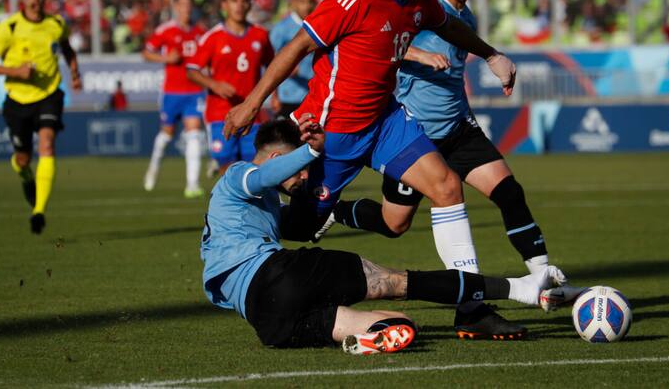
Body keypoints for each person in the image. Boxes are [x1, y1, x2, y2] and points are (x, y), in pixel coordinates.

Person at [222, 0, 524, 338]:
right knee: (300, 226)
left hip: (385, 122)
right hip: (329, 134)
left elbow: (449, 26)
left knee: (446, 187)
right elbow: (299, 45)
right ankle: (243, 256)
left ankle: (470, 308)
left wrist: (492, 55)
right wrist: (251, 103)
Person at [328, 0, 581, 315]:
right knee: (393, 223)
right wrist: (417, 54)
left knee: (510, 192)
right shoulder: (421, 7)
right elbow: (382, 41)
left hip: (458, 129)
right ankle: (336, 211)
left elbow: (454, 78)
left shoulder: (464, 16)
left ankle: (545, 278)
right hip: (415, 134)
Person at [201, 117, 565, 353]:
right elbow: (263, 177)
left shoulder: (253, 212)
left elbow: (297, 219)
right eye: (299, 169)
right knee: (399, 282)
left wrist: (332, 209)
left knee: (400, 324)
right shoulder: (239, 175)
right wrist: (312, 150)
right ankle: (518, 289)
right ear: (279, 156)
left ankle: (366, 339)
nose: (302, 178)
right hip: (276, 274)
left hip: (268, 320)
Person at [0, 0, 82, 234]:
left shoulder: (56, 23)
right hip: (18, 100)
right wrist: (15, 72)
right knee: (22, 159)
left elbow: (66, 48)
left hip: (49, 94)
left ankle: (38, 211)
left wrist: (74, 72)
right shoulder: (9, 28)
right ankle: (27, 177)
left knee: (47, 143)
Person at [187, 0, 274, 175]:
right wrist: (214, 84)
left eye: (244, 1)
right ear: (224, 5)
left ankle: (254, 206)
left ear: (250, 4)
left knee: (254, 168)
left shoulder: (260, 35)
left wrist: (275, 96)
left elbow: (273, 66)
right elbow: (191, 70)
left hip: (252, 113)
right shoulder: (213, 37)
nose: (239, 5)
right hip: (221, 112)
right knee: (228, 169)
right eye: (234, 1)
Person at [141, 0, 206, 197]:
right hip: (172, 92)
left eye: (189, 5)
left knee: (194, 134)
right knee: (166, 135)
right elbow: (146, 52)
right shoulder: (166, 30)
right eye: (182, 5)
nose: (186, 8)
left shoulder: (199, 32)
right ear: (175, 7)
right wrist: (166, 59)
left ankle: (192, 184)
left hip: (194, 90)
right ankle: (153, 169)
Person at [268, 0, 316, 119]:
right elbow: (270, 62)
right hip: (286, 96)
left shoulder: (316, 26)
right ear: (294, 2)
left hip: (310, 95)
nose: (307, 6)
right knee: (285, 138)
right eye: (302, 2)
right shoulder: (282, 28)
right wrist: (274, 96)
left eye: (310, 2)